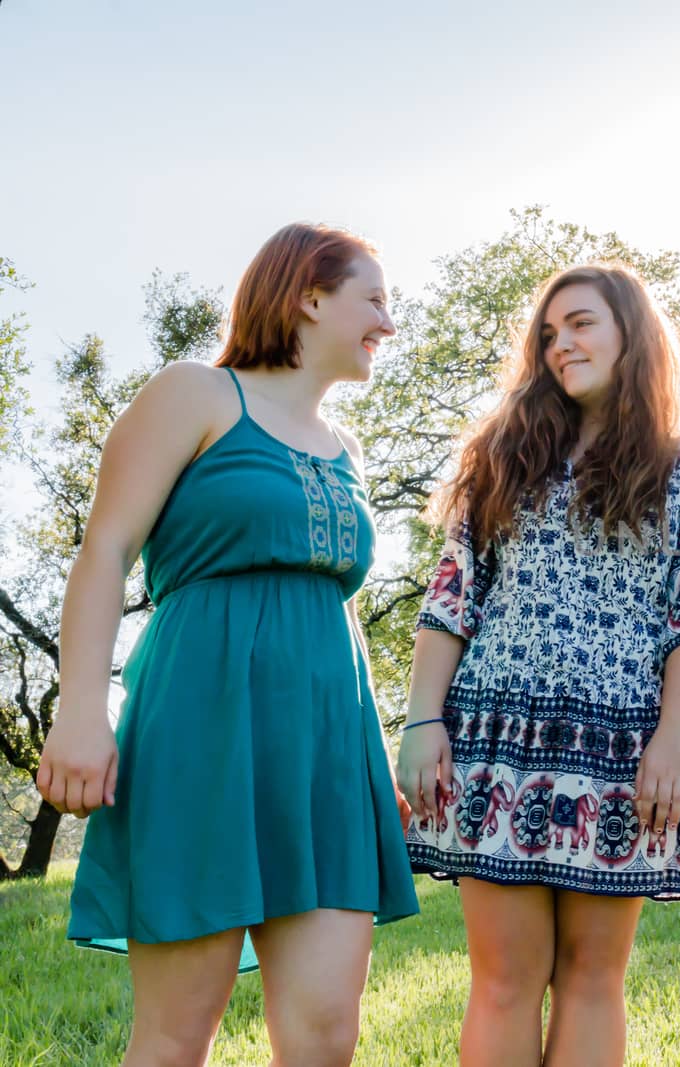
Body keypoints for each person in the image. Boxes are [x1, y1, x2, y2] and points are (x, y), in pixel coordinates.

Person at [37, 222, 418, 1065]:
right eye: (376, 299)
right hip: (201, 728)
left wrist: (375, 752)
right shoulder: (195, 395)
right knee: (177, 1034)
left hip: (328, 748)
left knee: (326, 1034)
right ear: (310, 296)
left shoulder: (347, 450)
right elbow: (104, 551)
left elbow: (330, 601)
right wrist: (79, 709)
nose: (389, 324)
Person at [399, 262, 680, 1066]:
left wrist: (674, 736)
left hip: (621, 746)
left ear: (631, 333)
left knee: (591, 979)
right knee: (504, 980)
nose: (561, 344)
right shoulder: (503, 453)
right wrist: (419, 719)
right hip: (495, 735)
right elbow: (453, 595)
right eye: (548, 333)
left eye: (581, 323)